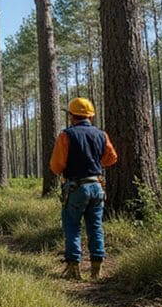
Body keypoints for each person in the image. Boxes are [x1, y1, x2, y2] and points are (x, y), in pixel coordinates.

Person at [50, 97, 118, 281]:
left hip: (75, 187)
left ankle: (74, 269)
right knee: (95, 226)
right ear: (90, 116)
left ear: (71, 116)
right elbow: (111, 158)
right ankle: (97, 270)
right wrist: (94, 161)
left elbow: (56, 166)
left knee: (72, 226)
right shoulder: (101, 134)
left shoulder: (66, 135)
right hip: (97, 186)